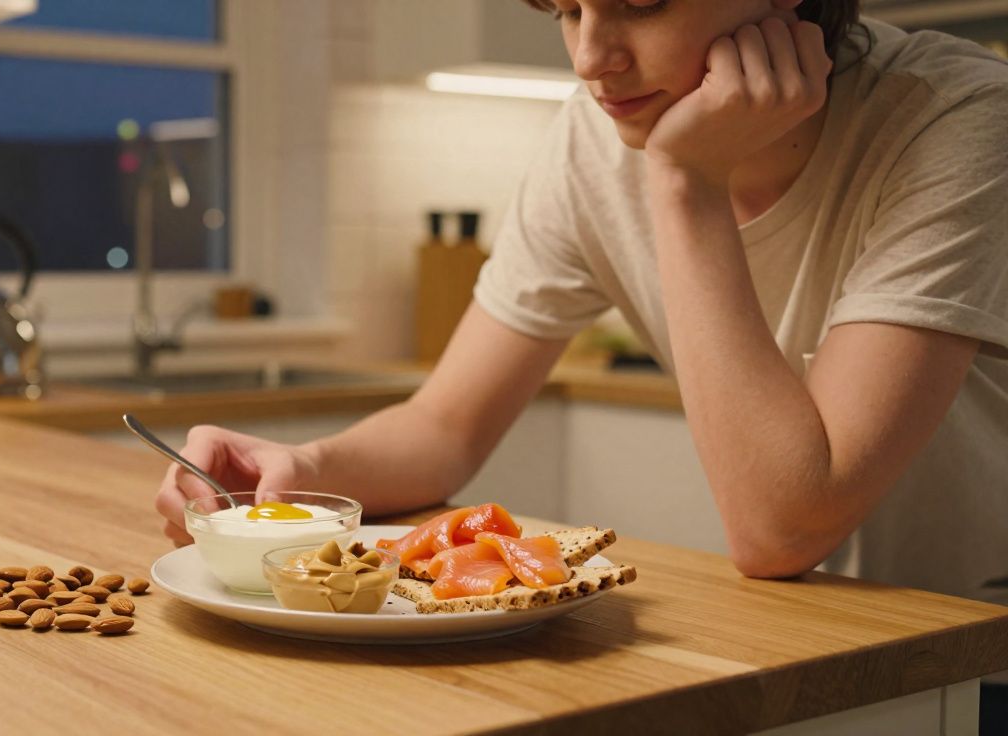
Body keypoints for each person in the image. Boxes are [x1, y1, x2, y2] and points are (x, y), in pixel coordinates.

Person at [155, 1, 1007, 729]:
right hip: (796, 644)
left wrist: (683, 179)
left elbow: (785, 526)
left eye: (640, 3)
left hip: (975, 654)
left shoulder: (959, 119)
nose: (591, 58)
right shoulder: (592, 143)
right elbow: (443, 427)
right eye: (566, 9)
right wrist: (307, 471)